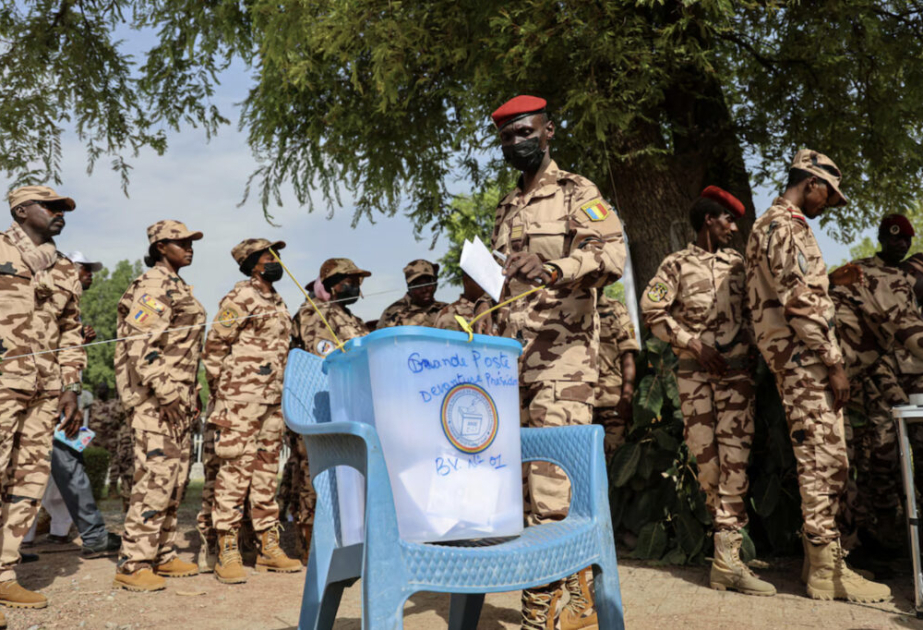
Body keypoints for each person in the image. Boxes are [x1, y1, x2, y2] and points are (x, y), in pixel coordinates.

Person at [479, 95, 625, 629]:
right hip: (510, 364)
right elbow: (498, 284)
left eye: (524, 131)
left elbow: (612, 257)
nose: (515, 141)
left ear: (548, 131)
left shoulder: (576, 192)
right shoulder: (505, 206)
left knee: (551, 486)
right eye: (506, 135)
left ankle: (544, 608)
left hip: (562, 362)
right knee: (520, 487)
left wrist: (553, 267)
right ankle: (575, 595)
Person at [744, 149, 890, 602]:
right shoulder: (786, 225)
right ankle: (828, 573)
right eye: (829, 194)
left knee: (824, 461)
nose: (828, 204)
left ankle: (822, 565)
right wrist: (834, 362)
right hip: (805, 359)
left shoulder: (770, 224)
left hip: (795, 357)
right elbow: (800, 302)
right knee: (823, 464)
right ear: (812, 183)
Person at [641, 186, 773, 596]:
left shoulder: (738, 264)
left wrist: (748, 347)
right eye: (728, 219)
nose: (734, 227)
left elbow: (757, 309)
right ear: (709, 220)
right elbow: (652, 310)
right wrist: (694, 344)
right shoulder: (676, 264)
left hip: (735, 375)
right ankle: (726, 553)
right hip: (694, 375)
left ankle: (728, 558)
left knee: (736, 458)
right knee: (708, 461)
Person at [200, 238, 301, 584]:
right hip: (240, 401)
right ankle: (226, 547)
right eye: (269, 255)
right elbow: (214, 345)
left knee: (265, 471)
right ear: (252, 263)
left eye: (277, 255)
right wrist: (223, 394)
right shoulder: (240, 297)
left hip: (272, 400)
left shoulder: (277, 300)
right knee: (235, 469)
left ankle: (267, 545)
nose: (277, 260)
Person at [113, 220, 206, 591]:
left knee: (176, 479)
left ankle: (161, 554)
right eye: (180, 242)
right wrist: (167, 393)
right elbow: (142, 343)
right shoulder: (152, 285)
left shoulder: (176, 284)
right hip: (156, 400)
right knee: (154, 478)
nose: (189, 247)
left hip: (178, 398)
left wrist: (191, 392)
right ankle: (133, 562)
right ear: (160, 247)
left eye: (190, 242)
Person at [829, 214, 923, 552]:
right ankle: (855, 544)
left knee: (870, 457)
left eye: (905, 240)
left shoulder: (900, 277)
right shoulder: (868, 272)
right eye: (893, 238)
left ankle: (871, 539)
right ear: (882, 238)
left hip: (868, 374)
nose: (899, 243)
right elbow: (909, 335)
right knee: (851, 460)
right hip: (840, 374)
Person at [291, 258, 371, 560]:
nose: (355, 286)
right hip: (322, 407)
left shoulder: (346, 315)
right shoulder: (317, 314)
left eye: (357, 281)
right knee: (318, 476)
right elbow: (322, 360)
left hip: (347, 407)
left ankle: (344, 544)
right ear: (333, 284)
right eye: (349, 280)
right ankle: (313, 547)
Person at [594, 291, 638, 458]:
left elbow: (628, 354)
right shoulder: (568, 307)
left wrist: (627, 396)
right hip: (579, 401)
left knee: (616, 459)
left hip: (612, 401)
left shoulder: (616, 309)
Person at [377, 259, 446, 327]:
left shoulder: (447, 310)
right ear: (409, 287)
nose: (424, 289)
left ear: (435, 284)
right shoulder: (392, 313)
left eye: (428, 283)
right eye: (418, 285)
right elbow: (381, 337)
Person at [87, 382, 125, 499]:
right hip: (96, 439)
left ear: (108, 391)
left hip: (112, 437)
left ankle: (112, 489)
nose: (102, 391)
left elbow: (120, 418)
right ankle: (94, 490)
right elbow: (86, 420)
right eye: (100, 388)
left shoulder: (115, 403)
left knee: (115, 463)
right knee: (95, 464)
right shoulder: (92, 404)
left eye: (104, 389)